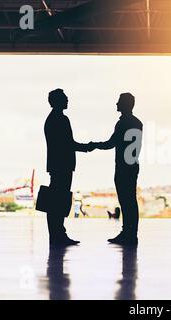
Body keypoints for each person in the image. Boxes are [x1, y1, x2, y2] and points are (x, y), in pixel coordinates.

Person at [91, 93, 143, 246]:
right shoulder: (137, 122)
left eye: (119, 101)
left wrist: (93, 145)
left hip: (123, 167)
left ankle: (128, 233)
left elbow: (111, 143)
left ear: (125, 104)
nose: (116, 104)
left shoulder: (123, 123)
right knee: (130, 202)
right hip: (132, 165)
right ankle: (130, 233)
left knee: (126, 202)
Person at [44, 88, 94, 246]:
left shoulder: (51, 119)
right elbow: (68, 144)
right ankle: (59, 235)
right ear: (58, 101)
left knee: (56, 201)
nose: (67, 100)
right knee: (59, 201)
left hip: (56, 165)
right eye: (65, 98)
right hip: (63, 165)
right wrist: (87, 147)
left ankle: (57, 234)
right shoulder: (61, 119)